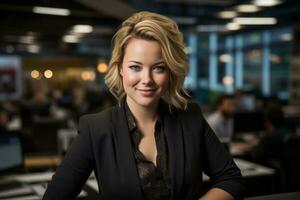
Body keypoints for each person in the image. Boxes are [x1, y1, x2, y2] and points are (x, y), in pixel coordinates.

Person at [43, 11, 244, 200]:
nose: (146, 79)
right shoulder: (95, 128)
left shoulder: (190, 117)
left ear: (170, 72)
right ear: (120, 68)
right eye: (135, 67)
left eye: (158, 68)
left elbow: (231, 180)